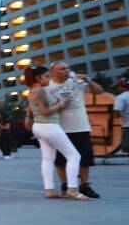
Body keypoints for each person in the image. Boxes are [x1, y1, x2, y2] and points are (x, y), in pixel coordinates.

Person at [24, 65, 89, 200]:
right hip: (49, 126)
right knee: (74, 156)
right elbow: (45, 112)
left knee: (48, 159)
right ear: (38, 78)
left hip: (39, 126)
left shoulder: (32, 90)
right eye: (46, 76)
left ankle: (50, 190)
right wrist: (62, 103)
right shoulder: (40, 91)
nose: (49, 79)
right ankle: (72, 189)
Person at [47, 61, 103, 198]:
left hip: (80, 126)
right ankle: (65, 185)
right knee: (60, 160)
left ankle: (85, 185)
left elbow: (99, 91)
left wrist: (87, 80)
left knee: (85, 157)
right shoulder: (48, 86)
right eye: (62, 69)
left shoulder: (77, 83)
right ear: (53, 71)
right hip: (60, 128)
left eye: (67, 68)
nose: (66, 71)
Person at [114, 78, 129, 154]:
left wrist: (117, 116)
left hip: (127, 125)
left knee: (127, 146)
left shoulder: (121, 97)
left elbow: (117, 110)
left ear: (120, 87)